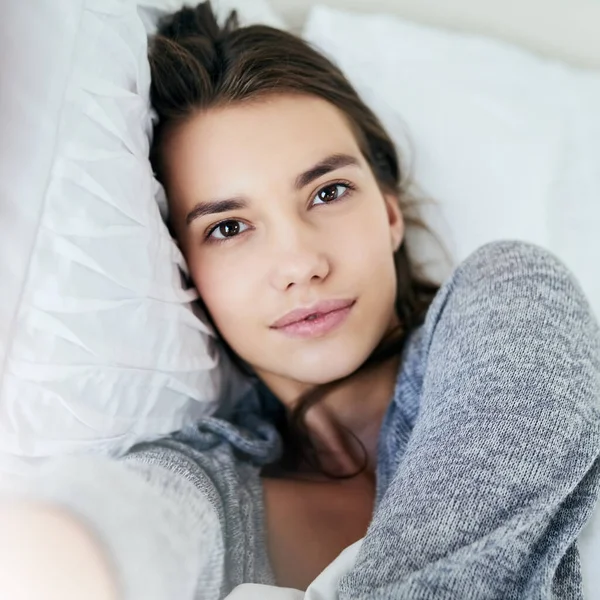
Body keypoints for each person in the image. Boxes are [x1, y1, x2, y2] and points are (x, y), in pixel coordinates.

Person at [1, 2, 600, 599]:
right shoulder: (207, 491)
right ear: (187, 272)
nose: (300, 266)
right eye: (229, 228)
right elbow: (117, 528)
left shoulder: (507, 292)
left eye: (328, 191)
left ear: (389, 213)